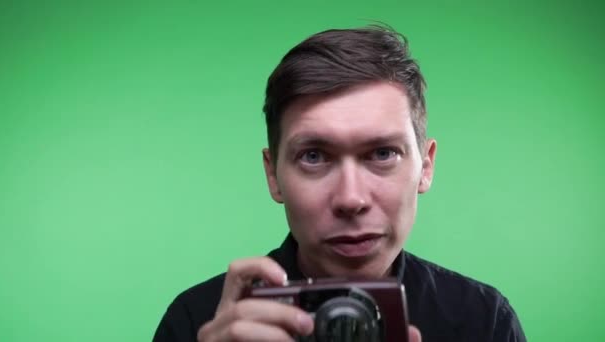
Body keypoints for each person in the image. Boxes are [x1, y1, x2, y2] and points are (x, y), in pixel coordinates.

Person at [153, 25, 526, 342]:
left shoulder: (482, 321)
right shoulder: (199, 323)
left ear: (426, 166)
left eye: (382, 154)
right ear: (273, 175)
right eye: (314, 156)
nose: (351, 199)